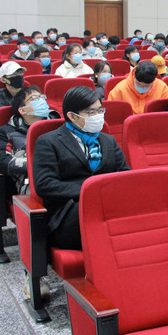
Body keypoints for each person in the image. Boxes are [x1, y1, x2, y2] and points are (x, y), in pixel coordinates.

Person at [33, 86, 130, 250]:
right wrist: (91, 191)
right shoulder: (49, 141)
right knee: (97, 211)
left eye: (100, 111)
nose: (97, 116)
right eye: (91, 112)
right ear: (72, 116)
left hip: (108, 206)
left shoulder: (108, 141)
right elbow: (45, 184)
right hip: (68, 213)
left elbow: (125, 174)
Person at [0, 86, 61, 195]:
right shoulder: (8, 131)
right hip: (31, 181)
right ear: (22, 110)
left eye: (42, 97)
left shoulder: (58, 125)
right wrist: (37, 165)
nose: (41, 100)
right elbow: (0, 161)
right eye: (34, 98)